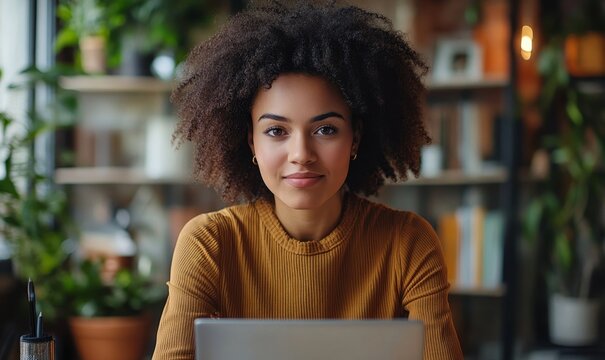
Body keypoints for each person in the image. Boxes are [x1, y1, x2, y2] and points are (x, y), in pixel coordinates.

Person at [152, 1, 463, 359]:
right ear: (251, 141)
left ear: (355, 139)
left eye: (325, 129)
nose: (301, 153)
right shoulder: (209, 245)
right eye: (276, 131)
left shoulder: (408, 244)